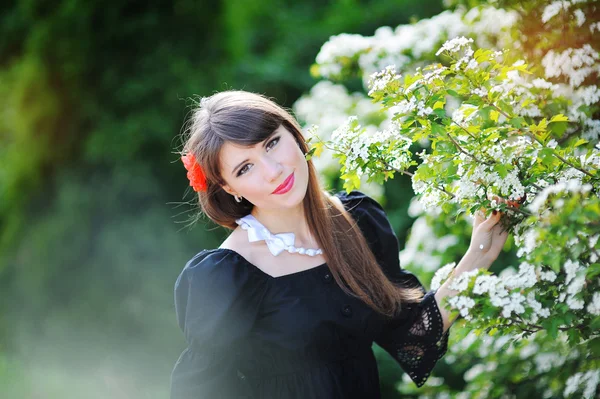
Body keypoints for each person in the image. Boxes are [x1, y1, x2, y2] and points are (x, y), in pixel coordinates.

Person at [170, 91, 510, 399]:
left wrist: (480, 252)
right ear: (230, 189)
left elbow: (409, 335)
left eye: (272, 143)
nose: (273, 171)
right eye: (246, 168)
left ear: (294, 133)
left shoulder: (357, 222)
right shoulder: (225, 276)